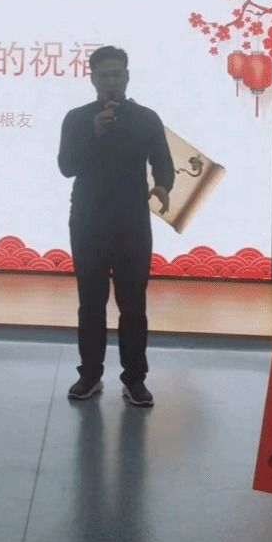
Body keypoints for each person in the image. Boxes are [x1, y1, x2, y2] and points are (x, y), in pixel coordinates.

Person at [57, 46, 174, 408]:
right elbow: (66, 167)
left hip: (131, 221)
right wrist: (93, 133)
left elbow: (163, 163)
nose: (110, 80)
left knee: (133, 304)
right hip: (88, 220)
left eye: (117, 74)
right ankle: (90, 375)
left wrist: (163, 186)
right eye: (103, 74)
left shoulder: (146, 118)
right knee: (90, 302)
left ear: (127, 76)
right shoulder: (77, 118)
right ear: (92, 79)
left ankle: (135, 379)